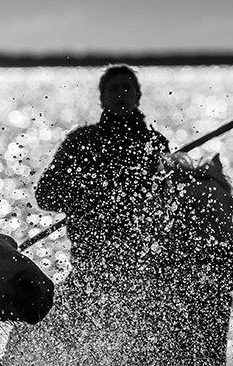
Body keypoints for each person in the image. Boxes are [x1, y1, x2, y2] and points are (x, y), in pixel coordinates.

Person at [35, 65, 170, 301]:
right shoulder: (81, 142)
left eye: (126, 87)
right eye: (113, 89)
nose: (121, 93)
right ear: (102, 99)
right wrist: (91, 193)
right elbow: (45, 194)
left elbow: (169, 202)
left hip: (144, 265)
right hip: (91, 265)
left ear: (138, 95)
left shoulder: (155, 144)